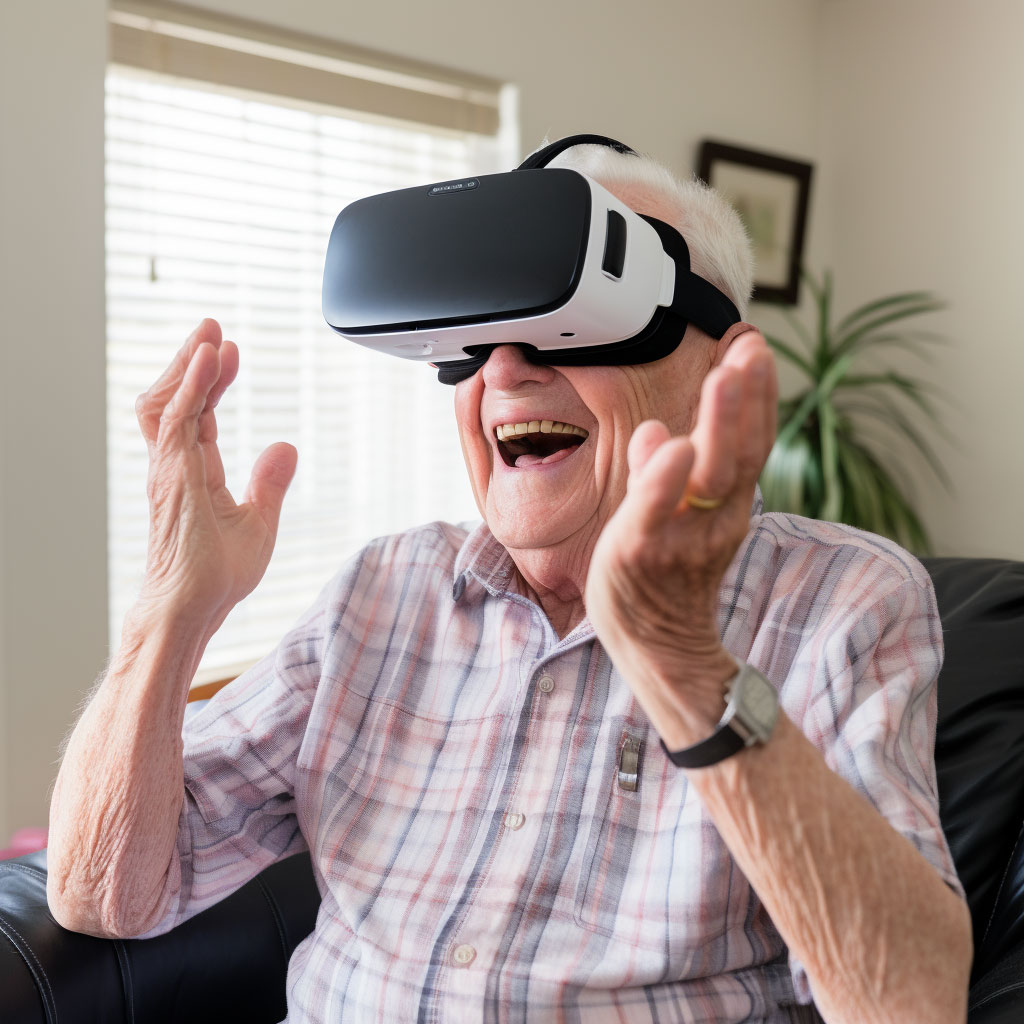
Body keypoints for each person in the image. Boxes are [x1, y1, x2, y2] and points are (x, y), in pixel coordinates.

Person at [46, 141, 972, 1023]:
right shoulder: (381, 593)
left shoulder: (843, 601)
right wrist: (168, 614)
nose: (508, 369)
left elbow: (912, 1004)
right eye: (479, 335)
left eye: (583, 319)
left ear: (727, 367)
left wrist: (690, 670)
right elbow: (105, 896)